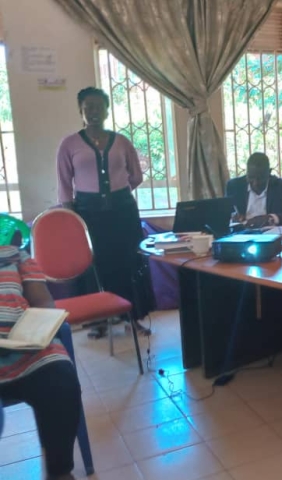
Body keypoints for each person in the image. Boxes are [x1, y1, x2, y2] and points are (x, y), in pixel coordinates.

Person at [56, 87, 154, 339]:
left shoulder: (121, 141)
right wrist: (71, 218)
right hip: (88, 215)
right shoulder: (69, 144)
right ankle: (98, 320)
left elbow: (136, 175)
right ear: (80, 111)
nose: (93, 111)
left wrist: (116, 194)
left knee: (128, 263)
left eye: (99, 107)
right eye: (88, 107)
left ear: (107, 111)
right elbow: (64, 184)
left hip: (122, 213)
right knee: (94, 266)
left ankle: (133, 317)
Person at [0, 246, 81, 480]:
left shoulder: (16, 256)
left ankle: (60, 471)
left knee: (60, 381)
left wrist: (34, 330)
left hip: (24, 348)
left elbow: (44, 302)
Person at [226, 152, 282, 227]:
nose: (255, 183)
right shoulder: (234, 186)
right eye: (251, 177)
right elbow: (227, 214)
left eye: (260, 178)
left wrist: (270, 218)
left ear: (269, 172)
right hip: (242, 232)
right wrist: (233, 217)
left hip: (272, 231)